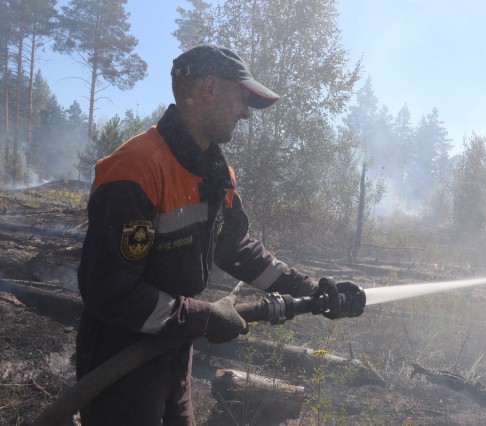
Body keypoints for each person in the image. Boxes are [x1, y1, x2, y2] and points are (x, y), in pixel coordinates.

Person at [76, 44, 362, 426]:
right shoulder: (136, 169)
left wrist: (308, 289)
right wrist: (204, 316)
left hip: (172, 349)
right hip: (120, 358)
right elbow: (111, 292)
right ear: (209, 88)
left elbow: (237, 249)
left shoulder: (214, 171)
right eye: (242, 97)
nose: (246, 111)